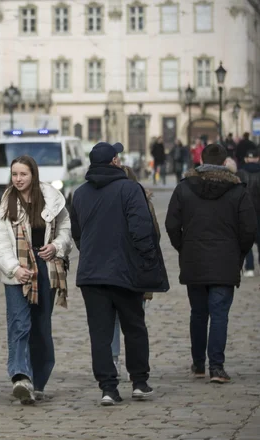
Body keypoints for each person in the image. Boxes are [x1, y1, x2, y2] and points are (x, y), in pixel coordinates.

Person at [70, 142, 169, 406]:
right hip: (125, 271)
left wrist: (91, 253)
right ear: (115, 161)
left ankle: (108, 388)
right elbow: (141, 229)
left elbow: (77, 233)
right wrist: (147, 260)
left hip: (91, 274)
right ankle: (139, 382)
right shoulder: (130, 188)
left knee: (100, 333)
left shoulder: (79, 193)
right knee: (134, 327)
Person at [166, 144, 257, 384]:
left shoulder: (184, 188)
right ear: (225, 161)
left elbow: (171, 225)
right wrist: (239, 254)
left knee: (198, 313)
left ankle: (198, 364)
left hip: (194, 259)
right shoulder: (237, 190)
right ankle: (216, 367)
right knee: (219, 315)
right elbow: (249, 229)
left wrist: (183, 247)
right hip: (225, 260)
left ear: (201, 160)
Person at [0, 155, 72, 405]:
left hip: (45, 269)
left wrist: (57, 247)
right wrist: (14, 268)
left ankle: (38, 381)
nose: (18, 179)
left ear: (33, 175)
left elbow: (65, 229)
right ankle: (20, 377)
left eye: (22, 174)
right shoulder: (6, 204)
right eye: (14, 174)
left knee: (40, 328)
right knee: (19, 325)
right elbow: (0, 243)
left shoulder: (51, 198)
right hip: (17, 274)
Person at [111, 165, 160, 377]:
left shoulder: (108, 201)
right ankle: (137, 369)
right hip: (135, 270)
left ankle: (114, 360)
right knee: (135, 322)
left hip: (114, 269)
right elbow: (154, 237)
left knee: (115, 319)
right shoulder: (143, 202)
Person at [237, 147, 260, 277]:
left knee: (246, 240)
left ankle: (250, 267)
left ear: (246, 159)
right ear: (258, 158)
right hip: (259, 211)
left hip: (244, 211)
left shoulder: (240, 173)